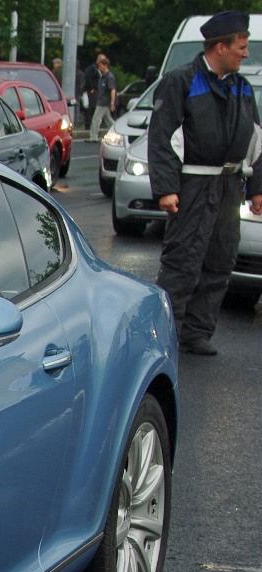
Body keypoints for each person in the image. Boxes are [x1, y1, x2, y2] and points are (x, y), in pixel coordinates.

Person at [149, 10, 262, 354]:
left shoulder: (242, 88)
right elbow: (162, 137)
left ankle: (196, 333)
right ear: (220, 47)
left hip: (228, 187)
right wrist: (166, 187)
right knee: (183, 260)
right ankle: (165, 333)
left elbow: (256, 140)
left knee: (220, 259)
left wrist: (257, 189)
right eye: (241, 46)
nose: (246, 53)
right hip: (192, 187)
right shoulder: (182, 81)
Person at [90, 55, 117, 139]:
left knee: (96, 119)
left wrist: (112, 103)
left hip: (103, 102)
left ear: (106, 65)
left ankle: (94, 137)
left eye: (101, 66)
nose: (99, 68)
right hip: (102, 101)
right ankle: (117, 130)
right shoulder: (103, 77)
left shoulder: (109, 77)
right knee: (108, 120)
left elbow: (112, 90)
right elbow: (103, 88)